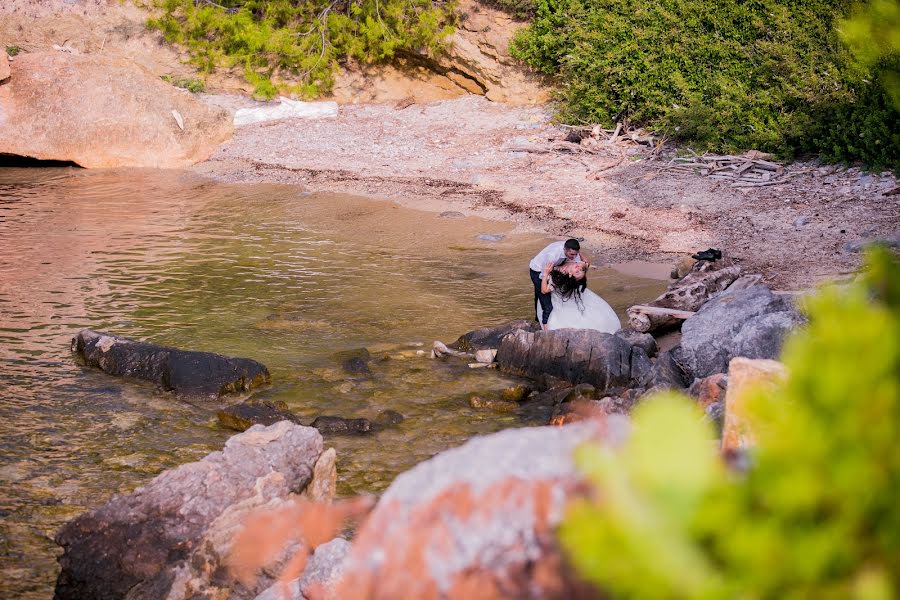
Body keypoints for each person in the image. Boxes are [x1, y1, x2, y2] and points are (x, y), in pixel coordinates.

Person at [538, 260, 621, 333]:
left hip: (556, 300)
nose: (579, 268)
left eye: (577, 272)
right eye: (581, 270)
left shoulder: (558, 281)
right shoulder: (571, 264)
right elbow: (585, 262)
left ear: (570, 275)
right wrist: (585, 263)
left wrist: (545, 273)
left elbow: (544, 290)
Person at [529, 239, 590, 329]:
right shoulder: (552, 256)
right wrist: (546, 274)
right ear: (565, 249)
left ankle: (544, 327)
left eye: (576, 254)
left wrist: (577, 252)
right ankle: (539, 321)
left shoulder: (561, 276)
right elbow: (587, 264)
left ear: (570, 275)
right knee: (542, 298)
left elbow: (585, 265)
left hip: (549, 274)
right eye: (572, 254)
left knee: (547, 303)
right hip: (538, 270)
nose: (574, 257)